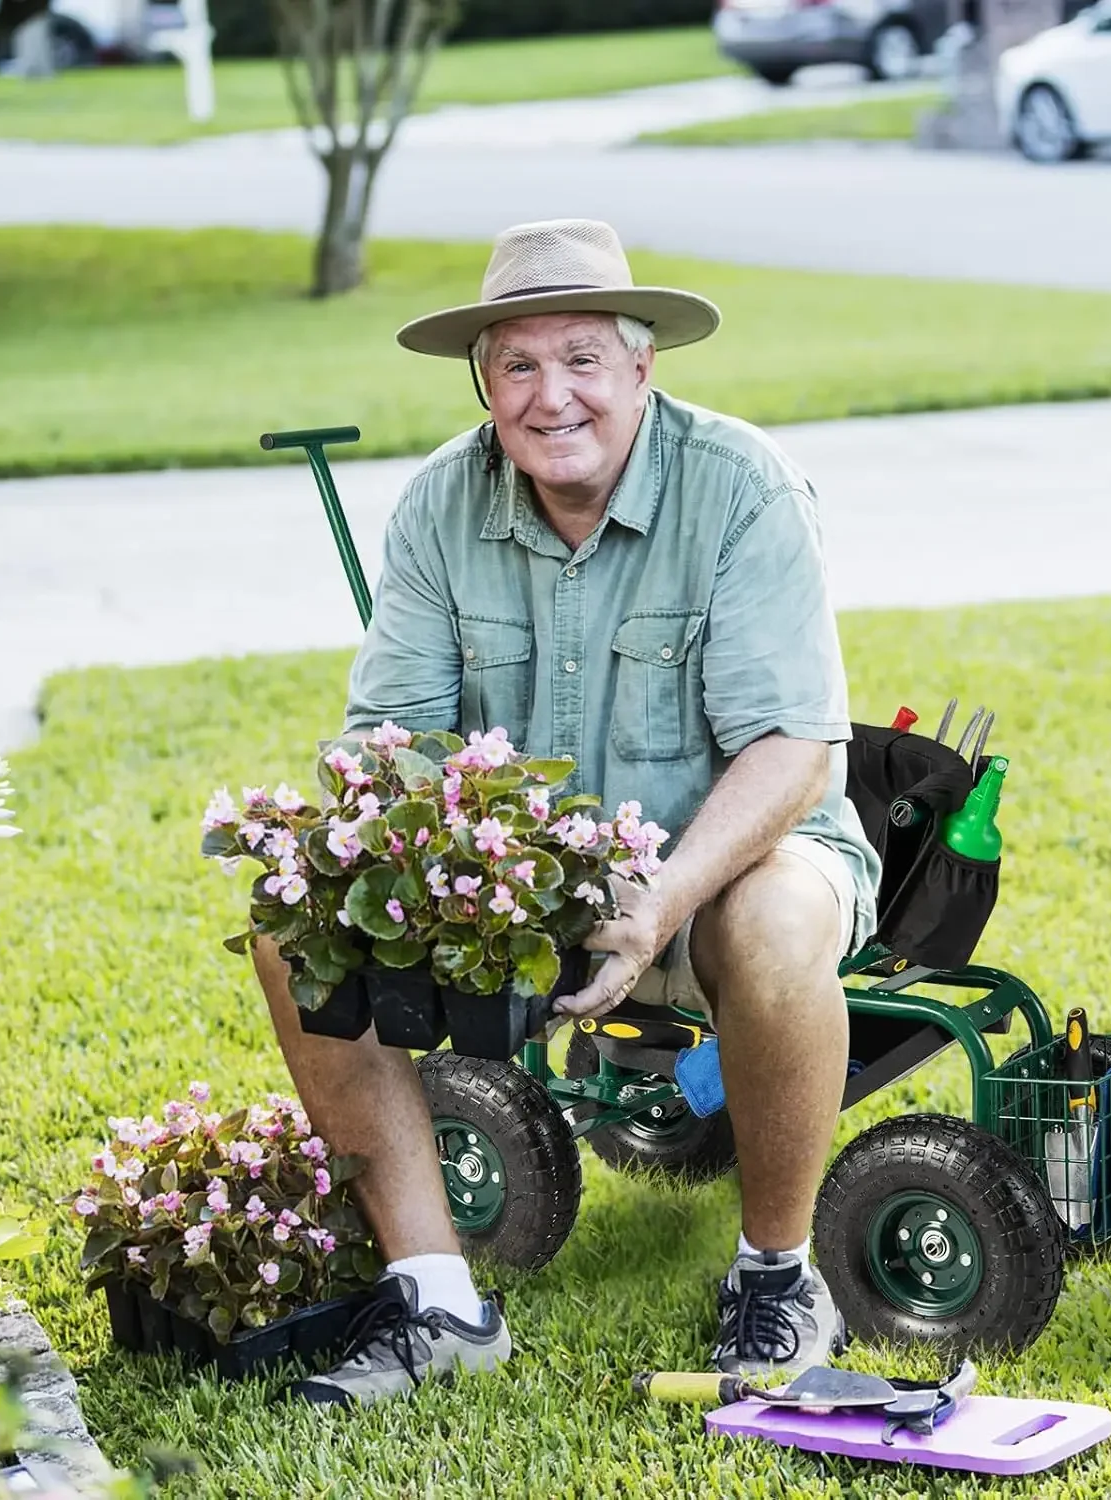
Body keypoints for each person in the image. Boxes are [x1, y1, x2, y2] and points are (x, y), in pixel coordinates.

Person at [254, 218, 882, 1410]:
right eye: (518, 367)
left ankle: (778, 1277)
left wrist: (660, 901)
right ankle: (438, 1301)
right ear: (484, 383)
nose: (554, 398)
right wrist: (382, 859)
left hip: (728, 867)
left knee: (773, 925)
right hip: (527, 890)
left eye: (584, 358)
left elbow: (794, 749)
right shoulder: (440, 507)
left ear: (644, 367)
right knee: (295, 931)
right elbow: (386, 739)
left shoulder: (742, 489)